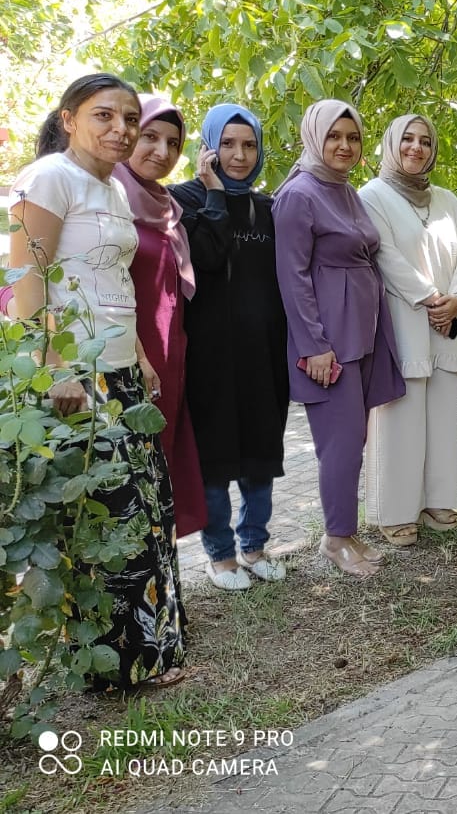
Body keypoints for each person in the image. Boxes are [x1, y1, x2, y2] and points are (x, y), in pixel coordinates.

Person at [8, 73, 185, 688]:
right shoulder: (50, 178)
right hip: (75, 378)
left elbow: (113, 282)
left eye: (129, 119)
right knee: (106, 522)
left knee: (145, 514)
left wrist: (138, 352)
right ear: (69, 118)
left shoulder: (111, 188)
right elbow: (28, 284)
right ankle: (112, 669)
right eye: (105, 116)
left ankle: (150, 653)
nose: (122, 130)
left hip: (119, 374)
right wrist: (53, 369)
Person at [275, 99, 405, 576]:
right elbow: (292, 277)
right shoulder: (299, 194)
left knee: (355, 439)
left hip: (363, 333)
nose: (344, 146)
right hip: (329, 342)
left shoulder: (345, 191)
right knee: (341, 442)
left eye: (352, 138)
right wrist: (314, 345)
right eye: (334, 136)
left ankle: (346, 530)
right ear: (314, 137)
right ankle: (335, 538)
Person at [171, 103, 290, 590]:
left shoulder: (269, 208)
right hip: (209, 357)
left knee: (261, 451)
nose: (239, 155)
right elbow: (204, 258)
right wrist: (216, 196)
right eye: (228, 144)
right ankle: (220, 555)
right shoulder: (183, 199)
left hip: (263, 353)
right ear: (209, 147)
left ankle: (255, 545)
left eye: (249, 145)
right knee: (215, 458)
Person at [360, 114, 457, 545]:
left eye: (425, 141)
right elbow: (385, 254)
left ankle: (439, 500)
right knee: (401, 416)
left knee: (443, 415)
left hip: (448, 321)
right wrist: (431, 297)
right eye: (408, 140)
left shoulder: (448, 200)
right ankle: (395, 511)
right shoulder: (372, 196)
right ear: (392, 144)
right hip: (403, 319)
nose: (416, 148)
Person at [111, 95, 207, 541]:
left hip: (170, 361)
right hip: (127, 360)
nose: (162, 152)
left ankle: (158, 590)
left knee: (159, 473)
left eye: (173, 142)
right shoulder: (107, 198)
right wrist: (139, 356)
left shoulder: (165, 208)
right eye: (150, 136)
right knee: (125, 481)